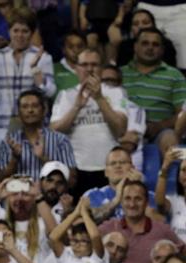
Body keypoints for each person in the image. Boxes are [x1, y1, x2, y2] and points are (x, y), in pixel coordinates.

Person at [51, 48, 129, 195]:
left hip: (109, 168)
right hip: (77, 169)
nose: (89, 69)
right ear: (76, 68)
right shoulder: (65, 95)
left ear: (101, 68)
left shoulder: (116, 92)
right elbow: (55, 131)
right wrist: (76, 107)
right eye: (84, 65)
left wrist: (99, 98)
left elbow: (120, 129)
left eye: (94, 64)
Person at [0, 8, 55, 141]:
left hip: (33, 129)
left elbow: (49, 92)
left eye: (24, 31)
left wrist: (35, 69)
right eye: (16, 31)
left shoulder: (43, 58)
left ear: (32, 33)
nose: (19, 35)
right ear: (9, 31)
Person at [98, 180, 183, 263]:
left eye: (138, 199)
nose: (132, 204)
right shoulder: (108, 227)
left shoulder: (162, 230)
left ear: (146, 202)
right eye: (127, 198)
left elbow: (182, 262)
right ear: (121, 202)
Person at [121, 27, 186, 158]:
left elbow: (182, 113)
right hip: (124, 131)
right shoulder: (120, 73)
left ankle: (169, 178)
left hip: (160, 133)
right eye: (145, 43)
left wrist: (159, 126)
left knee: (170, 139)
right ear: (135, 47)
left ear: (162, 50)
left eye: (155, 44)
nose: (150, 48)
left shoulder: (174, 75)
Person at [0, 90, 77, 183]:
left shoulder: (61, 140)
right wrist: (15, 159)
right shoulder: (9, 142)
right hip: (18, 196)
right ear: (18, 113)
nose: (30, 110)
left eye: (35, 106)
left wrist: (44, 158)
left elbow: (71, 180)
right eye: (25, 107)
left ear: (44, 110)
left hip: (50, 196)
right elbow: (1, 180)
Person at [47, 196, 108, 263]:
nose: (78, 245)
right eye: (75, 241)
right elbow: (53, 238)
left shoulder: (97, 257)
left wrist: (84, 213)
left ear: (91, 243)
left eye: (83, 241)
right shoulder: (67, 254)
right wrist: (76, 212)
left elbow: (95, 236)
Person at [155, 147, 186, 243]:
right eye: (184, 170)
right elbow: (160, 203)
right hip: (176, 253)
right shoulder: (174, 201)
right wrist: (165, 168)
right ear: (179, 177)